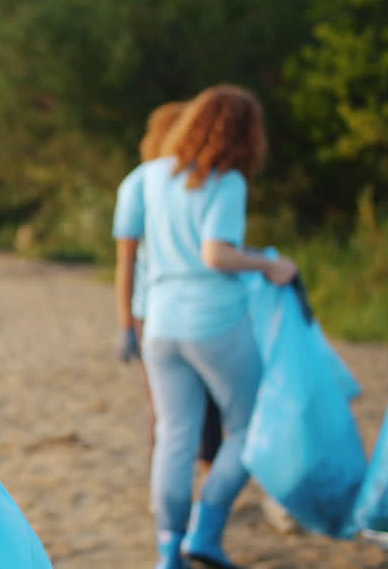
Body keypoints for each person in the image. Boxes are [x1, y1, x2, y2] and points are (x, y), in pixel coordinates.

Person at [112, 85, 297, 569]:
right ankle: (207, 532)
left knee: (175, 435)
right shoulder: (227, 182)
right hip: (215, 321)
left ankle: (168, 549)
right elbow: (216, 254)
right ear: (244, 133)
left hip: (161, 322)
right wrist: (268, 265)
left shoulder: (150, 176)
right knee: (247, 429)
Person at [115, 100, 223, 474]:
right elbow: (126, 259)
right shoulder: (144, 183)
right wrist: (126, 321)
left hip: (170, 309)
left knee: (183, 406)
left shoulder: (197, 178)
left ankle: (189, 481)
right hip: (159, 308)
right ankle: (184, 480)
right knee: (173, 407)